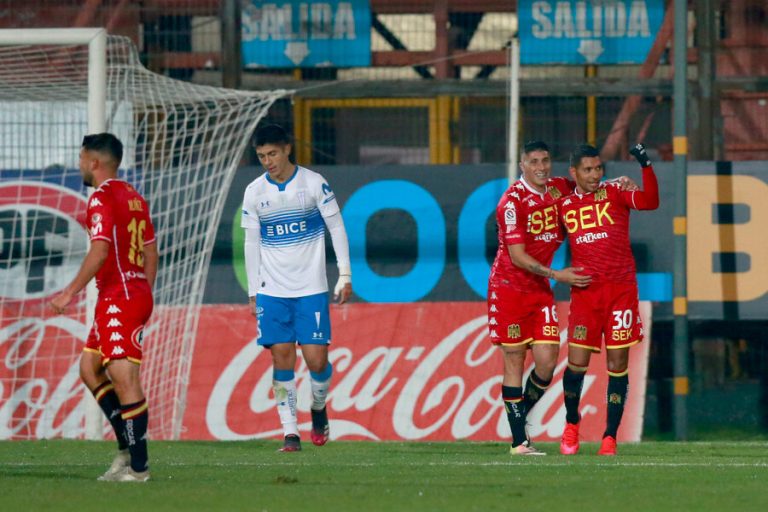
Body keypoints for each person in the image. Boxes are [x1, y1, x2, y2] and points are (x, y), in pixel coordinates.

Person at [51, 133, 158, 481]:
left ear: (94, 162)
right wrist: (143, 292)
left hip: (120, 296)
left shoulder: (101, 197)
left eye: (82, 158)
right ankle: (126, 451)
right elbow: (151, 251)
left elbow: (99, 251)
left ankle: (139, 468)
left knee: (124, 378)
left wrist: (69, 293)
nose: (79, 164)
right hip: (127, 293)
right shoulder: (134, 196)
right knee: (90, 368)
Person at [241, 124, 352, 452]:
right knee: (281, 357)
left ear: (287, 149)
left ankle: (318, 406)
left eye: (272, 154)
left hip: (310, 289)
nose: (268, 162)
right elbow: (251, 242)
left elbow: (336, 227)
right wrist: (253, 291)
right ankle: (290, 432)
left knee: (316, 361)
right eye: (261, 156)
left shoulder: (313, 183)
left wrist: (345, 274)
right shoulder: (254, 191)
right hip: (272, 289)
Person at [488, 140, 592, 456]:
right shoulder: (511, 203)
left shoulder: (559, 188)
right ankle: (519, 441)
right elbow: (518, 257)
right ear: (522, 165)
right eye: (533, 162)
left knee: (547, 362)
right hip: (509, 288)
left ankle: (518, 419)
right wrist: (557, 275)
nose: (541, 167)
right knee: (515, 359)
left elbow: (589, 183)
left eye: (545, 160)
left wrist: (619, 183)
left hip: (539, 291)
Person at [558, 143, 659, 456]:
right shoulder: (563, 205)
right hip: (586, 295)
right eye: (588, 170)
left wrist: (645, 166)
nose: (594, 175)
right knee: (576, 364)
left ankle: (610, 437)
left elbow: (650, 202)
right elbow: (542, 238)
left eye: (598, 168)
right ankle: (571, 423)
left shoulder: (615, 192)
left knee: (617, 364)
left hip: (620, 293)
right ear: (574, 172)